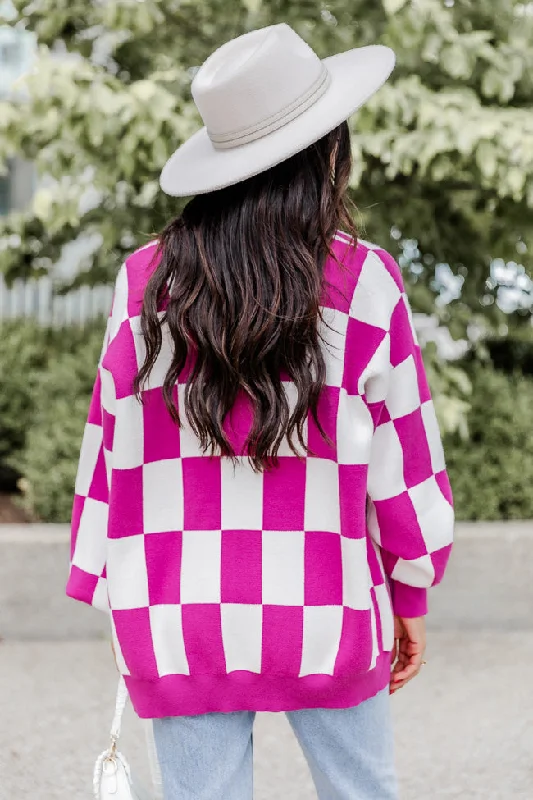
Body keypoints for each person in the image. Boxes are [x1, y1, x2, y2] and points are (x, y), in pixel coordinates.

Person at [67, 23, 454, 800]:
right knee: (362, 792)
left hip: (178, 611)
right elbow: (404, 462)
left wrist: (106, 579)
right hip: (328, 605)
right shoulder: (362, 279)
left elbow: (109, 444)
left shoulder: (142, 280)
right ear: (324, 152)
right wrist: (409, 591)